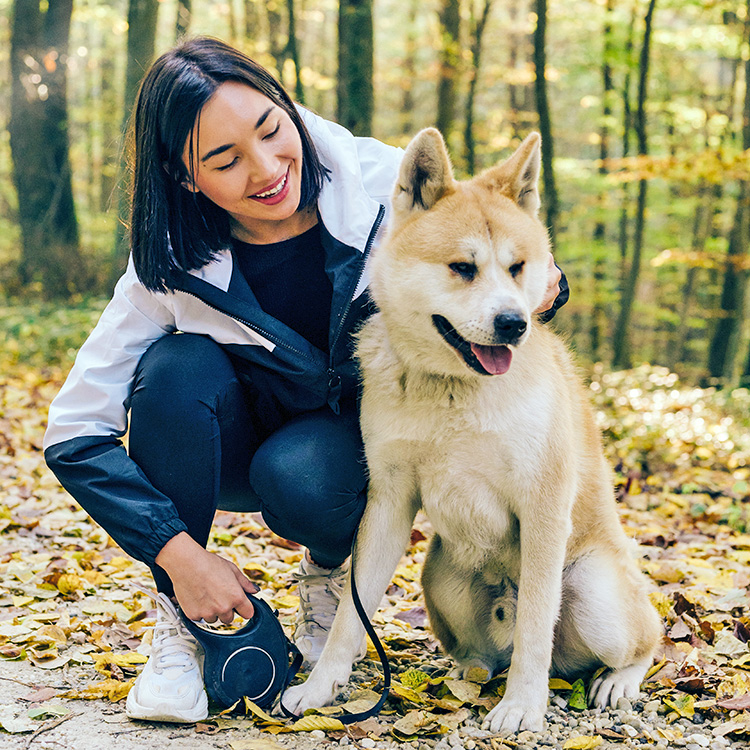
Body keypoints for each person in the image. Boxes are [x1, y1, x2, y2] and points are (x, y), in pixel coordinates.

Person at [44, 37, 568, 724]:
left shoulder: (388, 191)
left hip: (334, 454)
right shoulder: (167, 262)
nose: (266, 169)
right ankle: (179, 626)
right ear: (183, 175)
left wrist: (538, 292)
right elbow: (73, 433)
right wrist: (178, 557)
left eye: (270, 130)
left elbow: (500, 245)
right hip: (225, 442)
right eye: (225, 160)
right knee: (174, 370)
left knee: (303, 474)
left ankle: (327, 581)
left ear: (288, 107)